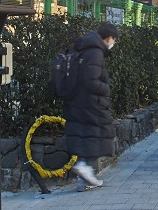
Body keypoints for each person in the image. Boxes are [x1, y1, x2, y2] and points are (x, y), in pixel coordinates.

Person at [64, 22, 118, 192]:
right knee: (97, 135)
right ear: (109, 38)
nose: (113, 44)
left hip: (76, 100)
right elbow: (91, 80)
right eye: (114, 40)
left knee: (84, 135)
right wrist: (106, 88)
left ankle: (84, 181)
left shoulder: (82, 48)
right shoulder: (95, 52)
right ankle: (83, 167)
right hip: (91, 102)